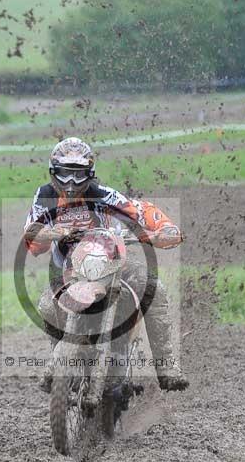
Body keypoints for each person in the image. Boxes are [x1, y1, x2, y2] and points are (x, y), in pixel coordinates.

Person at [23, 137, 189, 393]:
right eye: (65, 173)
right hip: (68, 271)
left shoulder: (104, 195)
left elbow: (140, 210)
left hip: (111, 264)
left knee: (155, 290)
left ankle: (166, 367)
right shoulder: (45, 196)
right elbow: (33, 240)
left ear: (89, 174)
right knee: (47, 304)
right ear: (53, 172)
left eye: (78, 175)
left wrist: (163, 229)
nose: (70, 182)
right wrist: (54, 232)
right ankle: (58, 362)